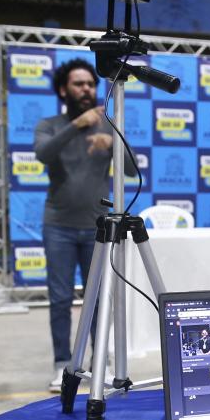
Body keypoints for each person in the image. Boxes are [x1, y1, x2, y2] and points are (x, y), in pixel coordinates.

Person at [35, 58, 136, 392]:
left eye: (90, 84)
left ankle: (99, 361)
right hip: (59, 226)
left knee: (98, 299)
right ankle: (62, 364)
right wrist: (77, 125)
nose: (86, 89)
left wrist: (114, 144)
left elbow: (132, 170)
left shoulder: (108, 124)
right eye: (78, 84)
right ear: (63, 89)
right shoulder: (50, 124)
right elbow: (43, 154)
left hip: (98, 228)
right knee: (60, 298)